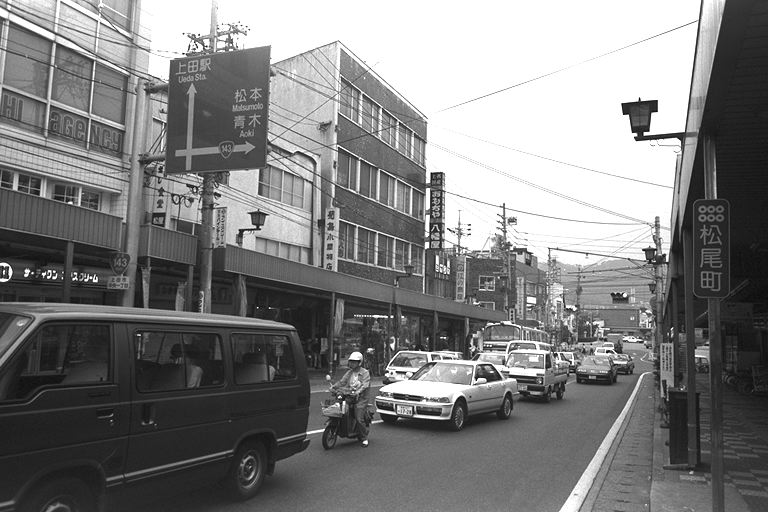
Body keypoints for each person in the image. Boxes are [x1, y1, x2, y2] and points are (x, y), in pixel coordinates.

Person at [331, 351, 371, 447]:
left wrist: (358, 392)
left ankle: (364, 438)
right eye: (351, 361)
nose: (352, 363)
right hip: (350, 395)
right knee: (339, 407)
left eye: (354, 362)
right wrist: (333, 387)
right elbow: (342, 382)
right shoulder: (349, 373)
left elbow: (365, 385)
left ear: (359, 362)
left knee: (358, 418)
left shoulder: (365, 373)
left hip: (361, 398)